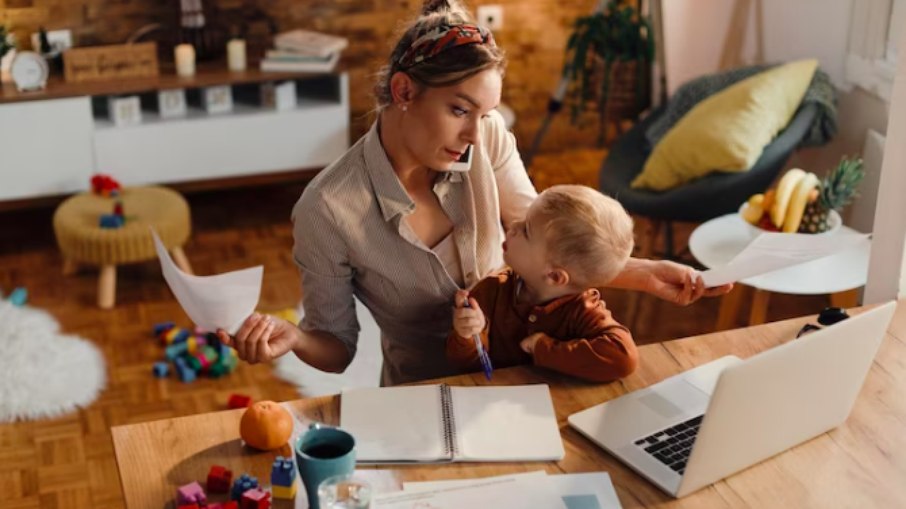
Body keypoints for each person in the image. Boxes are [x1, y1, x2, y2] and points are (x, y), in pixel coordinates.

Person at [217, 0, 731, 386]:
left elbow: (549, 242)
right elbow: (337, 349)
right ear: (404, 92)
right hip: (424, 394)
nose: (474, 135)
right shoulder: (327, 209)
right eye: (460, 110)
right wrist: (295, 339)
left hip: (524, 381)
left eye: (483, 115)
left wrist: (644, 273)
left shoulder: (486, 138)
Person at [446, 185, 638, 382]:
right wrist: (468, 335)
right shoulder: (490, 291)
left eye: (526, 230)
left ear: (555, 277)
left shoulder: (584, 310)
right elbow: (466, 365)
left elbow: (623, 358)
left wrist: (544, 348)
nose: (513, 225)